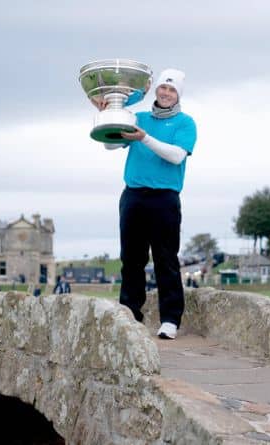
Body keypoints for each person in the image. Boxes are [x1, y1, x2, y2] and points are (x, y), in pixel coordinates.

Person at [97, 68, 197, 340]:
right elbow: (109, 145)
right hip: (133, 196)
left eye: (172, 90)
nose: (166, 93)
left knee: (165, 259)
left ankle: (170, 320)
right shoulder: (137, 117)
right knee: (131, 259)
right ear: (156, 90)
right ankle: (130, 315)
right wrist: (108, 115)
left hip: (164, 198)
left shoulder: (185, 123)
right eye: (163, 88)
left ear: (178, 95)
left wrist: (144, 138)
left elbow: (176, 156)